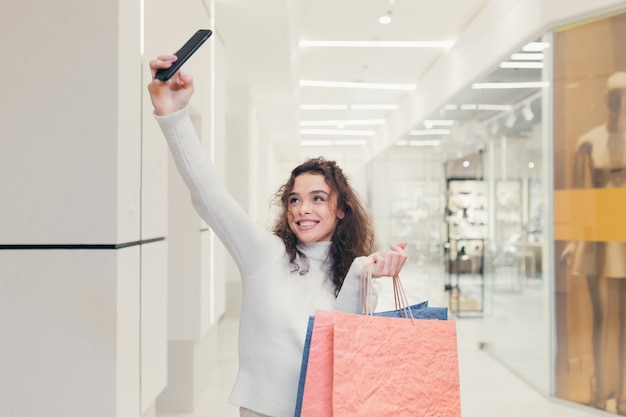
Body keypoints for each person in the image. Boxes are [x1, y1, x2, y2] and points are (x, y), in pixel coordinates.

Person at [147, 54, 409, 417]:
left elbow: (339, 344)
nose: (303, 209)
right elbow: (210, 196)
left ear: (342, 209)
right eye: (294, 200)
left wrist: (366, 272)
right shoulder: (264, 254)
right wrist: (173, 115)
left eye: (318, 199)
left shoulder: (356, 272)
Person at [561, 71, 626, 414]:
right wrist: (573, 241)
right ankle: (602, 389)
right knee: (602, 316)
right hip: (600, 237)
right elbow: (578, 198)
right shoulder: (590, 141)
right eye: (616, 97)